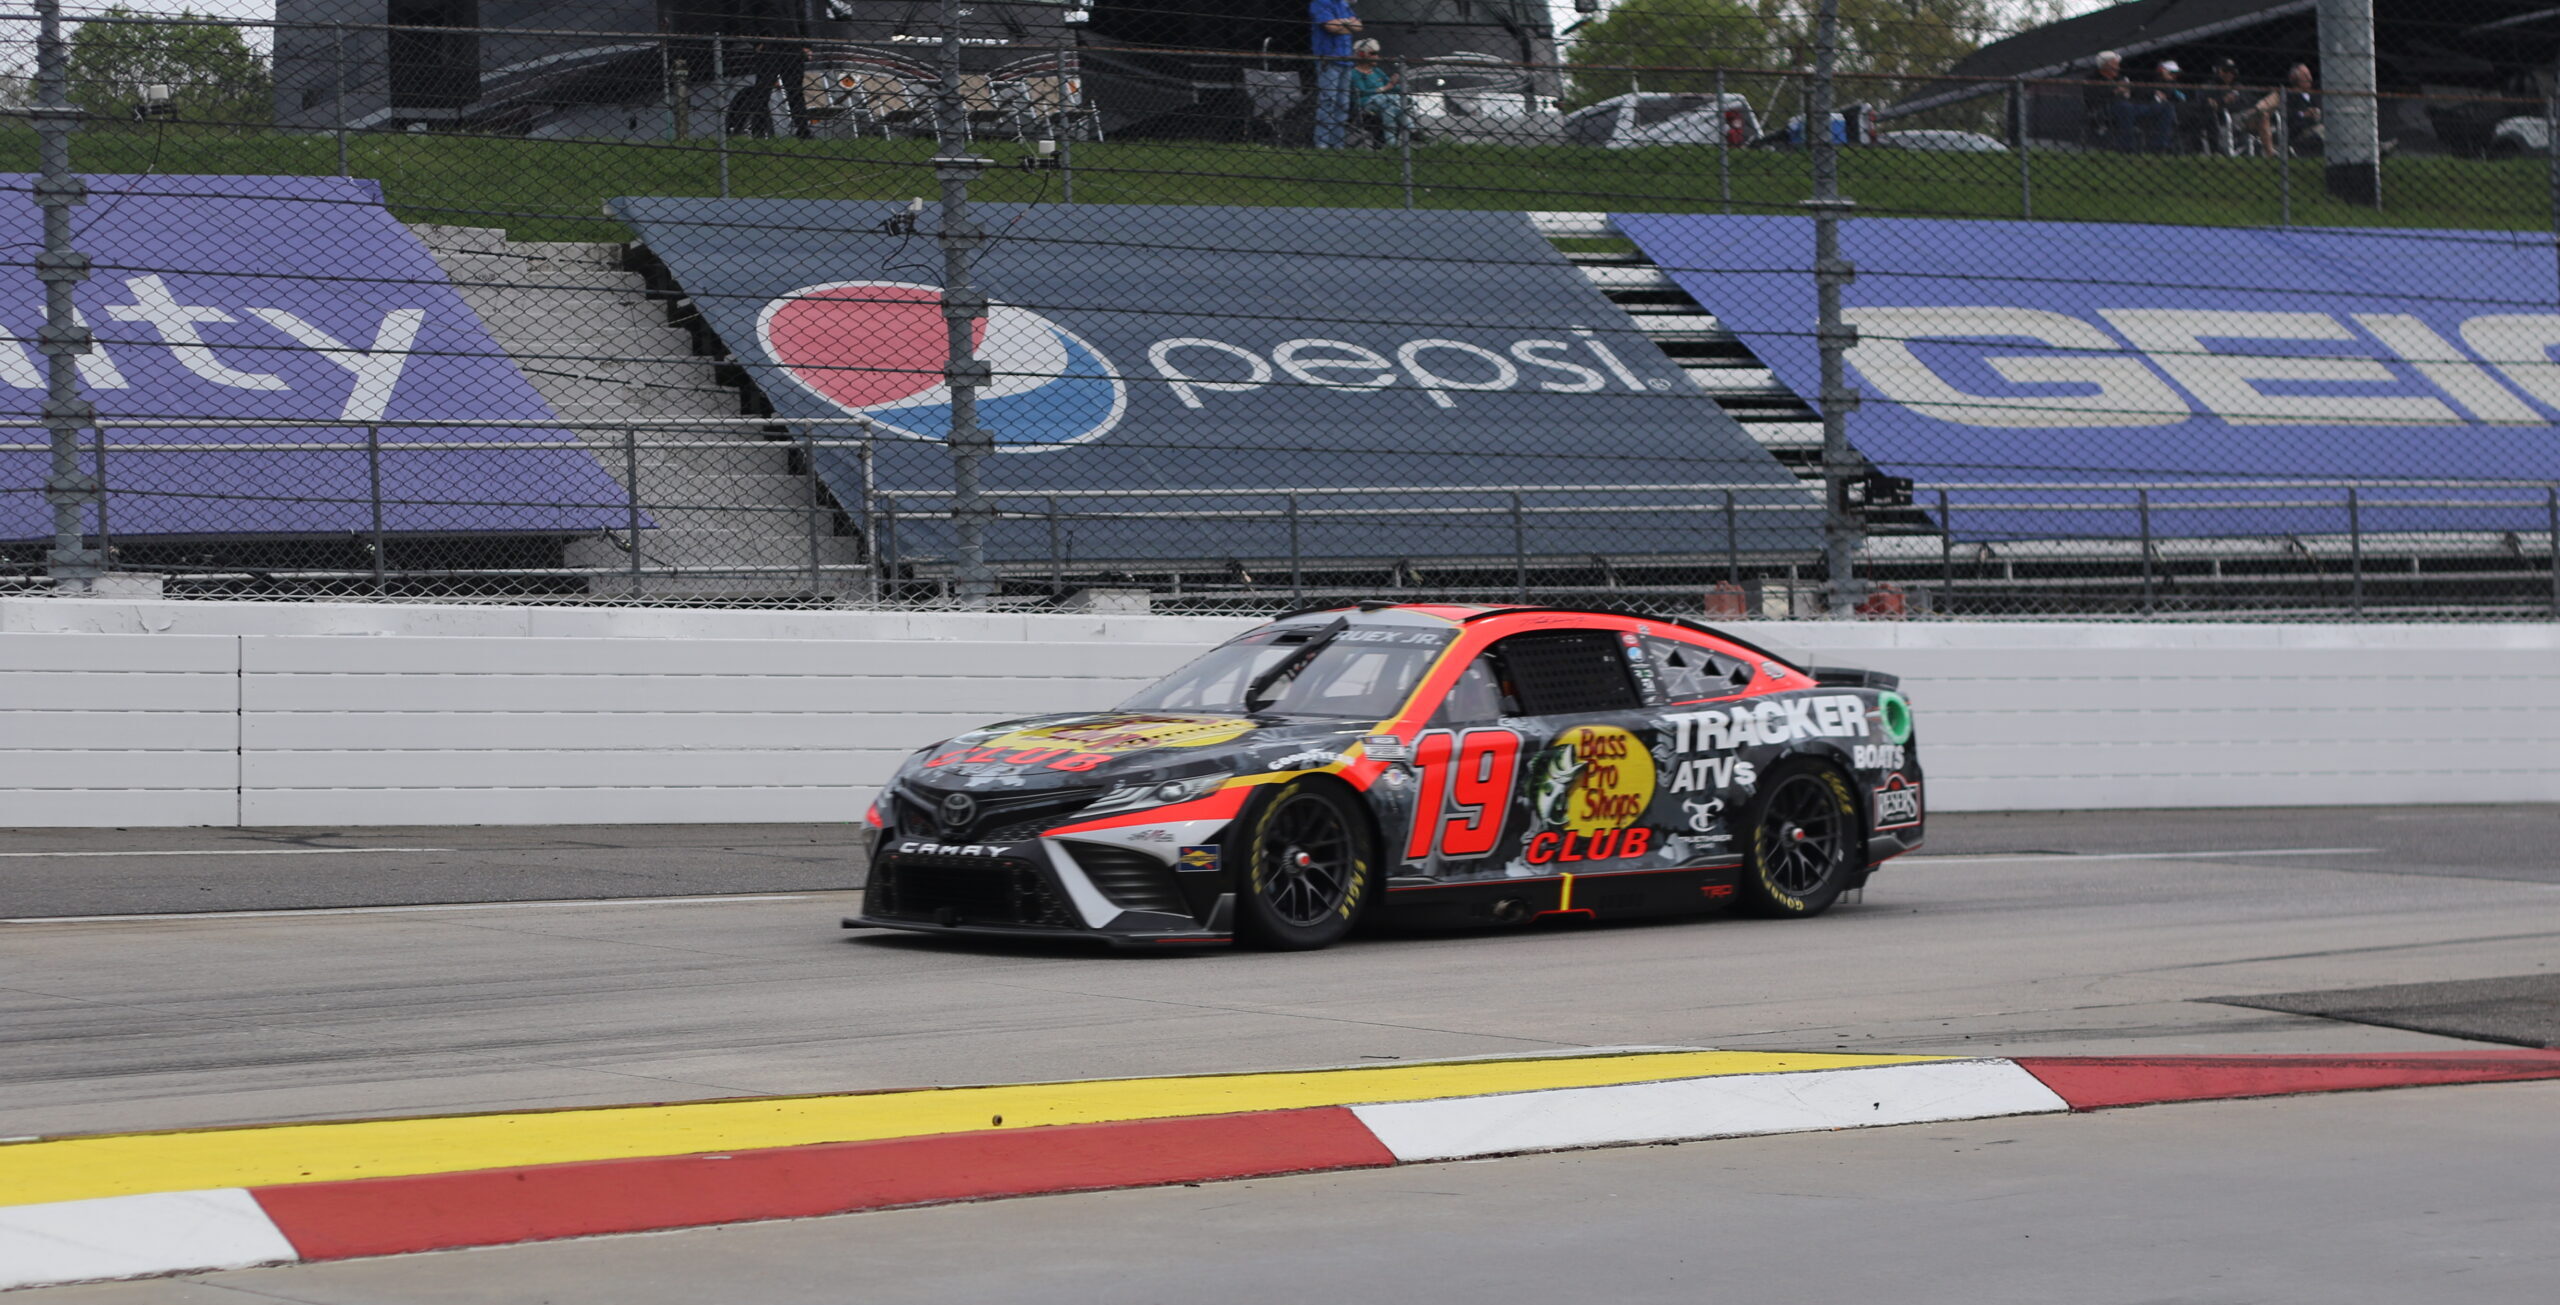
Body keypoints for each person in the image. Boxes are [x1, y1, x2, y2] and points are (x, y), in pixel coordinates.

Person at [1309, 0, 1363, 149]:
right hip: (1328, 59)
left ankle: (1338, 144)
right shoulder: (1320, 2)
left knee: (1343, 103)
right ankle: (1322, 143)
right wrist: (1348, 24)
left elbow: (1358, 26)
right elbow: (1331, 27)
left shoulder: (1343, 4)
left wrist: (1341, 23)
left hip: (1346, 60)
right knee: (1328, 101)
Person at [2252, 63, 2321, 156]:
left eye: (2309, 74)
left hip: (2316, 124)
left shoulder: (2316, 95)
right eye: (2305, 75)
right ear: (2294, 78)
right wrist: (2303, 114)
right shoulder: (2288, 96)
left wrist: (2316, 112)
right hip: (2297, 129)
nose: (2309, 78)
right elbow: (2287, 114)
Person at [1349, 38, 1407, 148]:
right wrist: (1385, 88)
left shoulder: (1377, 71)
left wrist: (1400, 87)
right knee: (1389, 105)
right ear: (1361, 55)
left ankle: (1391, 144)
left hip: (1385, 105)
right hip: (1366, 106)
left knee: (1390, 110)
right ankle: (1411, 131)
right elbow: (1362, 92)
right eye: (1373, 54)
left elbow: (1391, 86)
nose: (1377, 57)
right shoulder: (1354, 73)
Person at [2197, 58, 2255, 155]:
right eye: (2225, 70)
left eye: (2232, 71)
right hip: (2223, 120)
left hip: (2244, 117)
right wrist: (2223, 100)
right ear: (2217, 71)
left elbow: (2250, 102)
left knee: (2262, 114)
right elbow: (2207, 104)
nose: (2229, 74)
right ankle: (2215, 151)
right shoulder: (2210, 86)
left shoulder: (2238, 86)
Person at [2082, 50, 2133, 150]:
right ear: (2105, 65)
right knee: (2125, 108)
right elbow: (2092, 98)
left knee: (2164, 107)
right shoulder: (2092, 79)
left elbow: (2131, 93)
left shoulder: (2120, 78)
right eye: (2115, 65)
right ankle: (2125, 147)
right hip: (2104, 108)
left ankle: (2159, 147)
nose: (2118, 68)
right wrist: (2115, 91)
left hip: (2128, 106)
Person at [2138, 59, 2186, 153]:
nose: (2174, 76)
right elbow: (2145, 94)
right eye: (2171, 73)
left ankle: (2163, 146)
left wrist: (2168, 91)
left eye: (2175, 73)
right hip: (2153, 113)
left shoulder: (2177, 85)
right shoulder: (2154, 83)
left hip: (2178, 114)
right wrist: (2156, 93)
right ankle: (2159, 146)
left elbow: (2181, 97)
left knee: (2169, 108)